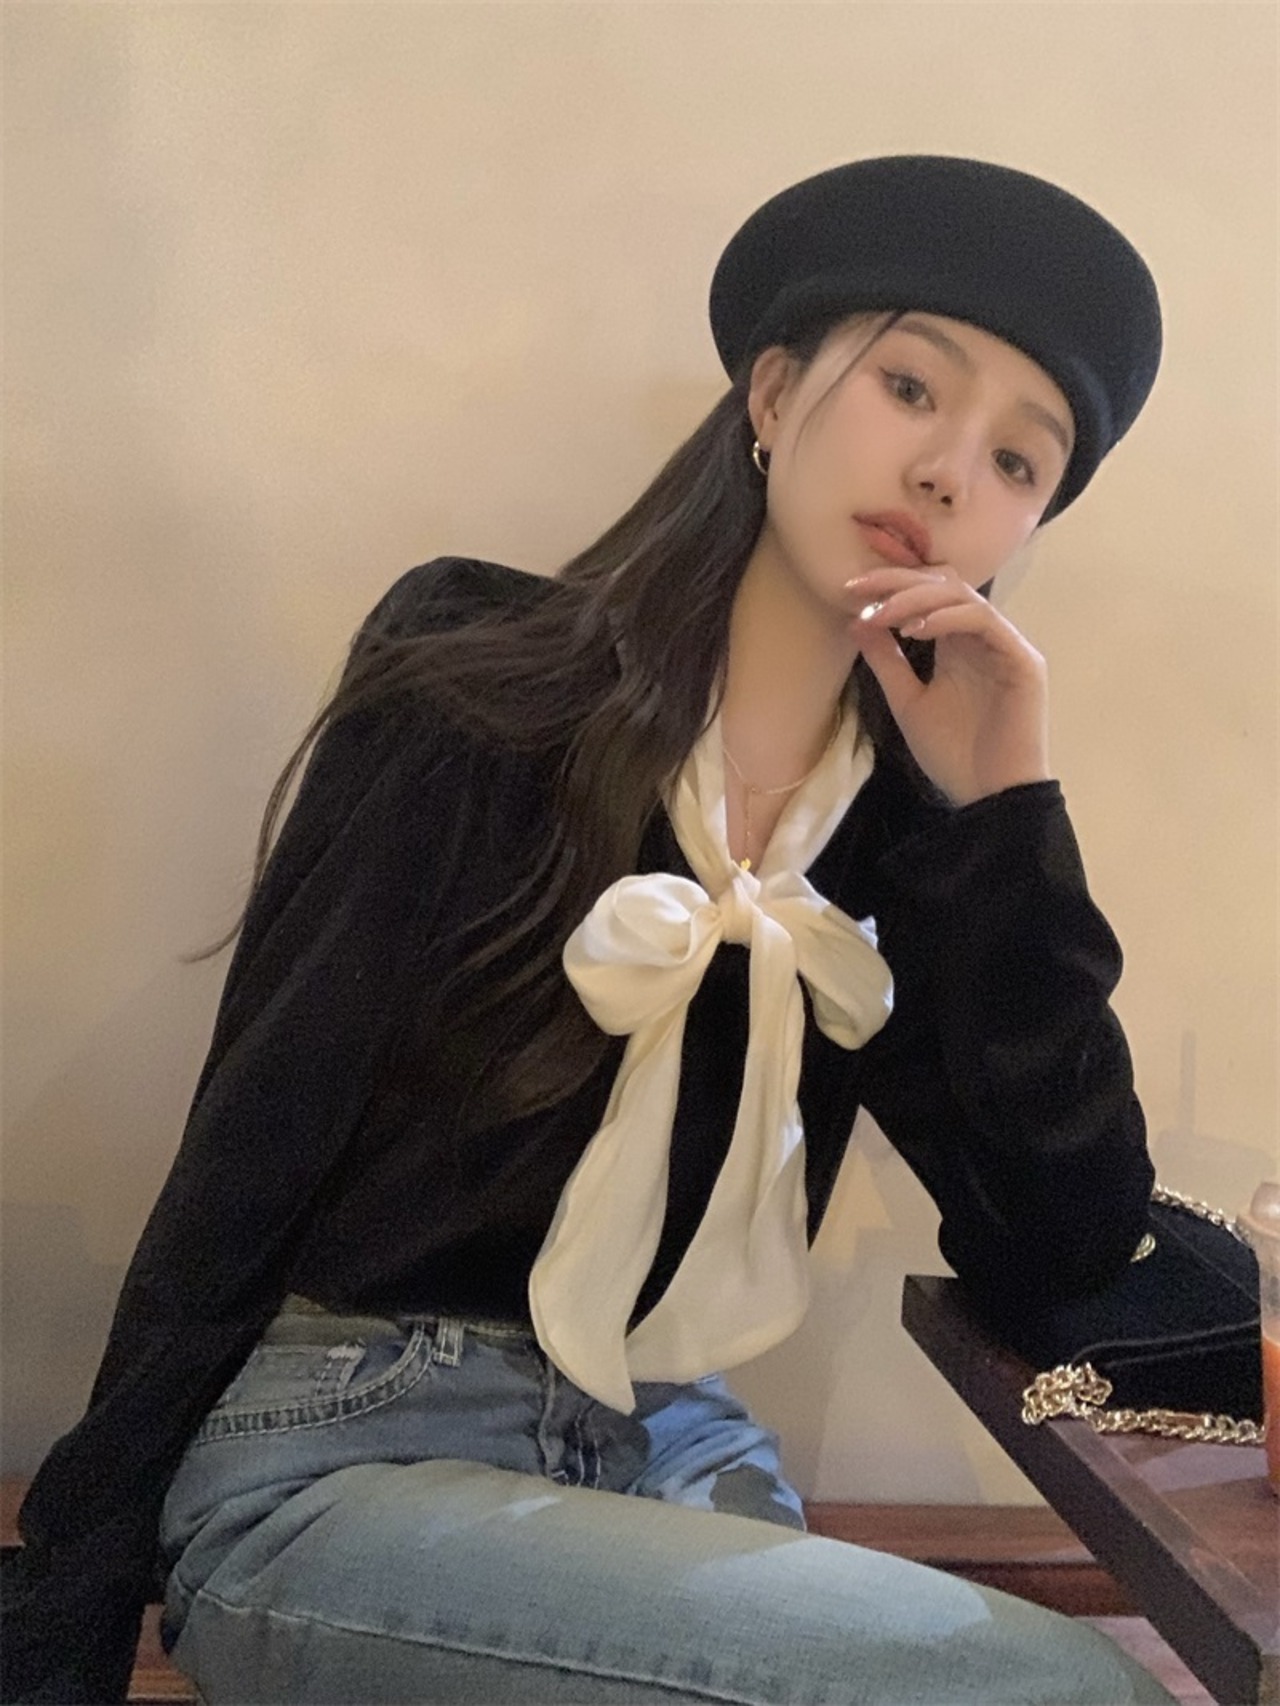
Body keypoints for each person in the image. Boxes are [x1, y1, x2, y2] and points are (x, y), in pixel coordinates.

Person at [4, 156, 1177, 1705]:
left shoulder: (905, 849)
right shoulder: (478, 675)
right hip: (346, 1442)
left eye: (1022, 460)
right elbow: (250, 1145)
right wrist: (68, 1611)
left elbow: (1063, 1246)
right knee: (1061, 1691)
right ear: (774, 394)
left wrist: (1006, 818)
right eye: (911, 386)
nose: (955, 471)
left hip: (670, 1440)